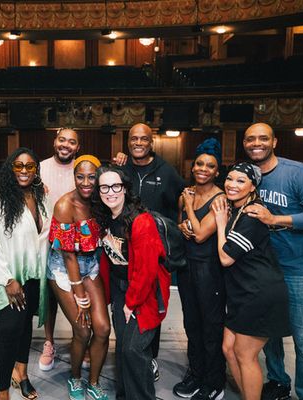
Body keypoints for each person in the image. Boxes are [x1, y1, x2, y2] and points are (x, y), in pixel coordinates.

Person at [242, 123, 303, 400]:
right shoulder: (249, 175)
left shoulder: (298, 173)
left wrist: (275, 219)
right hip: (264, 268)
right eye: (250, 139)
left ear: (274, 142)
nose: (256, 143)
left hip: (298, 268)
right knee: (268, 334)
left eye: (263, 138)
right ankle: (279, 380)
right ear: (244, 143)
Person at [0, 147, 52, 400]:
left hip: (32, 276)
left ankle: (22, 373)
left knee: (24, 327)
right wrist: (7, 279)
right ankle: (2, 391)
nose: (24, 171)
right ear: (10, 168)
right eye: (18, 166)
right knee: (9, 332)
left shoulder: (40, 196)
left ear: (36, 170)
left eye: (29, 166)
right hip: (7, 279)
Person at [212, 162, 291, 400]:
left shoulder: (252, 213)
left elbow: (226, 258)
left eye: (240, 181)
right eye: (230, 179)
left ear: (253, 186)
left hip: (259, 292)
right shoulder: (237, 208)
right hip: (242, 291)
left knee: (245, 355)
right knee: (228, 348)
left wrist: (220, 223)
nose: (232, 185)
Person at [92, 166, 171, 400]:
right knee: (124, 351)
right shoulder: (106, 217)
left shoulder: (141, 222)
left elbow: (146, 271)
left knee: (133, 350)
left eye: (116, 186)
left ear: (125, 188)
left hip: (142, 293)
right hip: (119, 290)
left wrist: (131, 303)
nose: (110, 192)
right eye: (104, 187)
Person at [115, 122, 184, 379]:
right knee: (125, 306)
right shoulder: (122, 167)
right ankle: (129, 354)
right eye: (134, 138)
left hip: (154, 253)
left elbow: (183, 197)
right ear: (128, 141)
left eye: (144, 139)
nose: (139, 143)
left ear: (151, 142)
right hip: (125, 252)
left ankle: (150, 358)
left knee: (151, 307)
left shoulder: (166, 171)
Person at [47, 155, 110, 400]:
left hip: (90, 265)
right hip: (64, 269)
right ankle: (75, 378)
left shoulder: (100, 200)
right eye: (80, 176)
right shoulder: (65, 205)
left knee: (103, 329)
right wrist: (79, 293)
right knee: (83, 331)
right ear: (74, 177)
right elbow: (68, 256)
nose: (85, 182)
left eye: (91, 176)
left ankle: (94, 382)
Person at [174, 138, 226, 400]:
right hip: (187, 269)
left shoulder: (220, 199)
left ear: (217, 171)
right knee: (191, 324)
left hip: (209, 270)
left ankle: (214, 381)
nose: (203, 168)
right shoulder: (187, 193)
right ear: (193, 166)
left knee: (210, 327)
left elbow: (202, 234)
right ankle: (195, 373)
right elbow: (182, 226)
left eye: (210, 165)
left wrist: (189, 208)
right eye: (199, 163)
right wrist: (182, 224)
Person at [38, 127, 81, 371]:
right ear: (55, 141)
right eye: (62, 139)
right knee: (50, 296)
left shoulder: (83, 168)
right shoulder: (40, 168)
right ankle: (49, 342)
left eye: (72, 142)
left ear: (78, 146)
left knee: (79, 293)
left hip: (77, 244)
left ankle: (81, 340)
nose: (66, 145)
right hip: (47, 242)